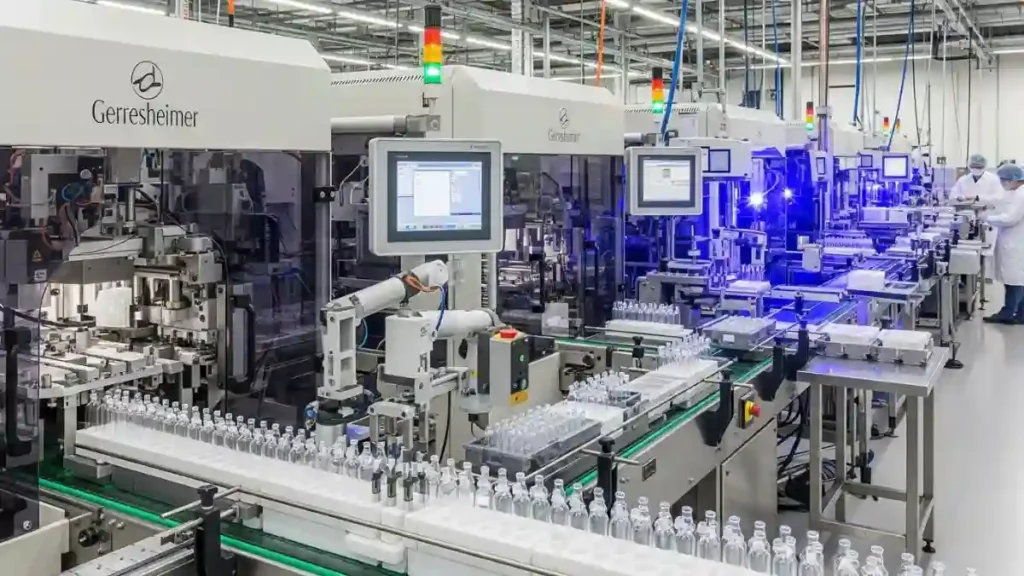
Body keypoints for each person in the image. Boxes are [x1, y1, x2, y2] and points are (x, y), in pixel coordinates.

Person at [983, 163, 1024, 324]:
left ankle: (1008, 313)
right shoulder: (1017, 192)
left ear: (1012, 179)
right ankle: (1020, 313)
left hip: (1016, 243)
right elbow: (1002, 203)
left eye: (1003, 180)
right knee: (1017, 279)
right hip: (1015, 241)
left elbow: (1011, 218)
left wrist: (987, 219)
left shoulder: (1021, 194)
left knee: (1014, 280)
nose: (1002, 183)